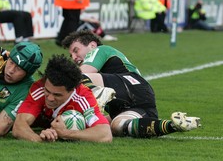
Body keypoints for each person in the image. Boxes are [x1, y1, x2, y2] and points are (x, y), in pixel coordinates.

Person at [61, 30, 201, 138]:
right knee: (118, 126)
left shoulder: (100, 50)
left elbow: (78, 75)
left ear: (92, 45)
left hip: (130, 84)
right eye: (71, 55)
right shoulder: (103, 64)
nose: (73, 57)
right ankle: (173, 125)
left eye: (76, 50)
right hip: (140, 100)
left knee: (76, 76)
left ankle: (98, 92)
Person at [12, 54, 112, 143]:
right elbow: (19, 126)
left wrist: (65, 133)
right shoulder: (39, 88)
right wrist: (40, 139)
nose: (50, 98)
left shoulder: (83, 97)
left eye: (57, 95)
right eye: (47, 91)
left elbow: (105, 134)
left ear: (72, 90)